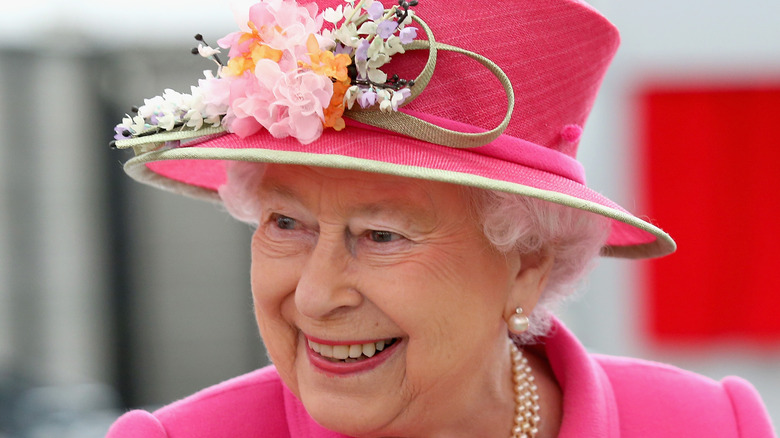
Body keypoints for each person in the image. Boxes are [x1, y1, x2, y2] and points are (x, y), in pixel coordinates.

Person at [106, 0, 776, 436]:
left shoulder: (708, 426)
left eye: (381, 235)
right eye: (287, 223)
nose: (315, 295)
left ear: (528, 264)